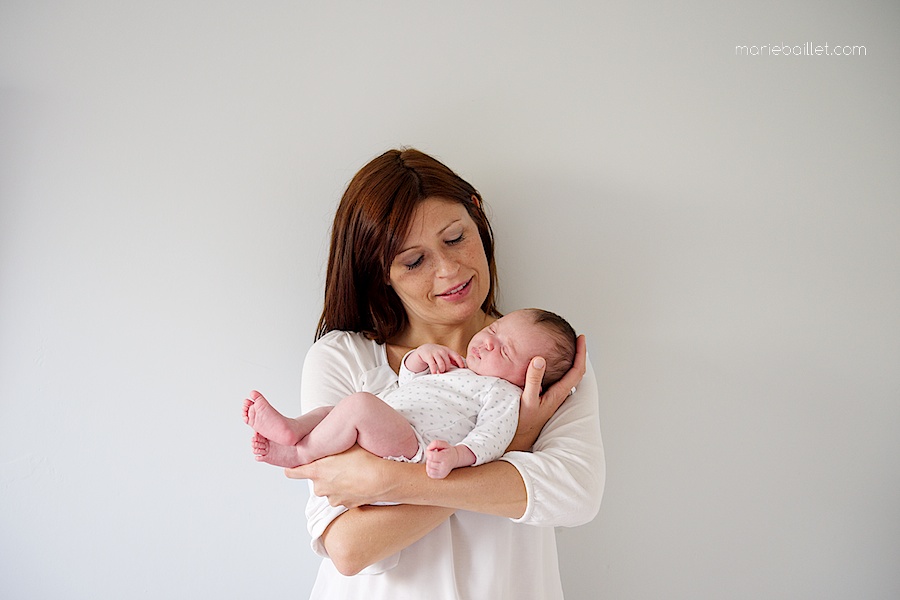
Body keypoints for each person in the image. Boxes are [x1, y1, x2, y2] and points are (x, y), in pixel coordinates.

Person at [282, 148, 604, 599]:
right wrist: (517, 442)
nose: (449, 270)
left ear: (477, 216)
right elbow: (350, 547)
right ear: (381, 272)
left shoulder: (540, 363)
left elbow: (576, 496)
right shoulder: (345, 359)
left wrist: (388, 481)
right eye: (414, 261)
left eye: (455, 238)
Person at [243, 308, 576, 479]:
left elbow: (492, 437)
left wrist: (457, 456)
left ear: (528, 379)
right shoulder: (461, 369)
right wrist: (419, 358)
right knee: (336, 410)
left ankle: (301, 455)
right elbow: (409, 386)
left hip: (415, 445)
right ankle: (294, 429)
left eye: (504, 351)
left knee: (358, 405)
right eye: (493, 330)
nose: (488, 341)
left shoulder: (502, 393)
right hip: (395, 421)